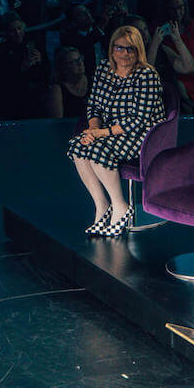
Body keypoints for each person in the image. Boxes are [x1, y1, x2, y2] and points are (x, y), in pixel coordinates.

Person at [64, 25, 164, 237]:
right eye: (120, 48)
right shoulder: (104, 68)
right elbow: (94, 105)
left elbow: (139, 120)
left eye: (130, 49)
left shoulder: (147, 75)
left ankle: (120, 205)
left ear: (138, 51)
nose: (125, 53)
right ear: (111, 49)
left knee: (97, 150)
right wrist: (92, 128)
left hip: (142, 135)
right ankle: (102, 205)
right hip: (110, 131)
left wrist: (101, 134)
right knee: (78, 145)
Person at [0, 14, 49, 119]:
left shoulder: (32, 46)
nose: (17, 33)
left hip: (33, 97)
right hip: (10, 100)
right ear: (6, 32)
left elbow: (44, 75)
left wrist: (40, 62)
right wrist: (21, 69)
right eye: (13, 30)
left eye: (19, 28)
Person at [158, 0, 194, 111]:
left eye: (180, 7)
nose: (177, 12)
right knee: (176, 85)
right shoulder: (162, 30)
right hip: (173, 76)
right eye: (173, 9)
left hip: (193, 74)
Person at [47, 46, 88, 119]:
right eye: (73, 62)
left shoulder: (94, 80)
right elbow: (57, 122)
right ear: (63, 68)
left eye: (79, 59)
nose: (79, 64)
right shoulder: (57, 89)